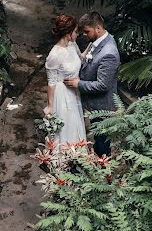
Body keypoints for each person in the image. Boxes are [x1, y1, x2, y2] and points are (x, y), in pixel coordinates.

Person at [64, 12, 120, 157]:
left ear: (98, 28)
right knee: (97, 139)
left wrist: (78, 84)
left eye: (87, 31)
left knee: (102, 144)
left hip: (102, 106)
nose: (84, 34)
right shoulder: (97, 42)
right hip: (94, 105)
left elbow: (103, 85)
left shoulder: (109, 53)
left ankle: (103, 171)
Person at [44, 14, 86, 148]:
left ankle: (76, 157)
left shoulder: (73, 45)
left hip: (75, 91)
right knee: (66, 126)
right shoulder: (54, 55)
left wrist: (93, 46)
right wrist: (50, 106)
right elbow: (51, 82)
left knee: (76, 124)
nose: (77, 34)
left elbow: (82, 58)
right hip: (63, 95)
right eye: (75, 32)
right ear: (69, 33)